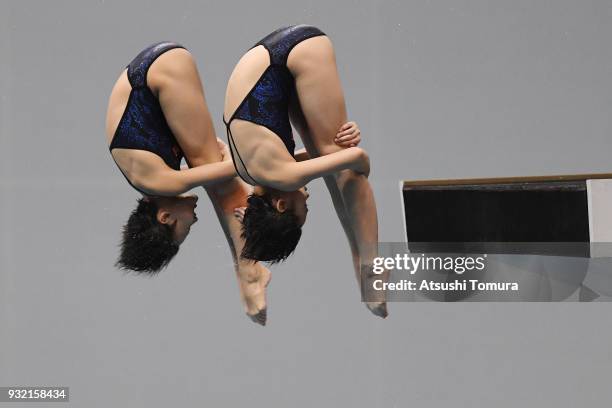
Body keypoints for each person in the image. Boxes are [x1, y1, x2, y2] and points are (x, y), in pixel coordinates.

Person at [224, 25, 387, 318]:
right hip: (271, 64)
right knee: (331, 162)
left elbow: (358, 159)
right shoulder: (252, 176)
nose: (307, 198)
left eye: (304, 207)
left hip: (297, 51)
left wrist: (354, 159)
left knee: (346, 171)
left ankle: (373, 266)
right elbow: (314, 162)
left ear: (282, 204)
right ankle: (357, 258)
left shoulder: (284, 177)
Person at [106, 42, 271, 325]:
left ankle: (376, 283)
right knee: (217, 176)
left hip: (159, 73)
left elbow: (248, 169)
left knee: (350, 180)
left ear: (165, 216)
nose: (194, 222)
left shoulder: (159, 181)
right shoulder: (151, 181)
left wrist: (239, 160)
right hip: (152, 71)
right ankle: (247, 273)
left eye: (185, 229)